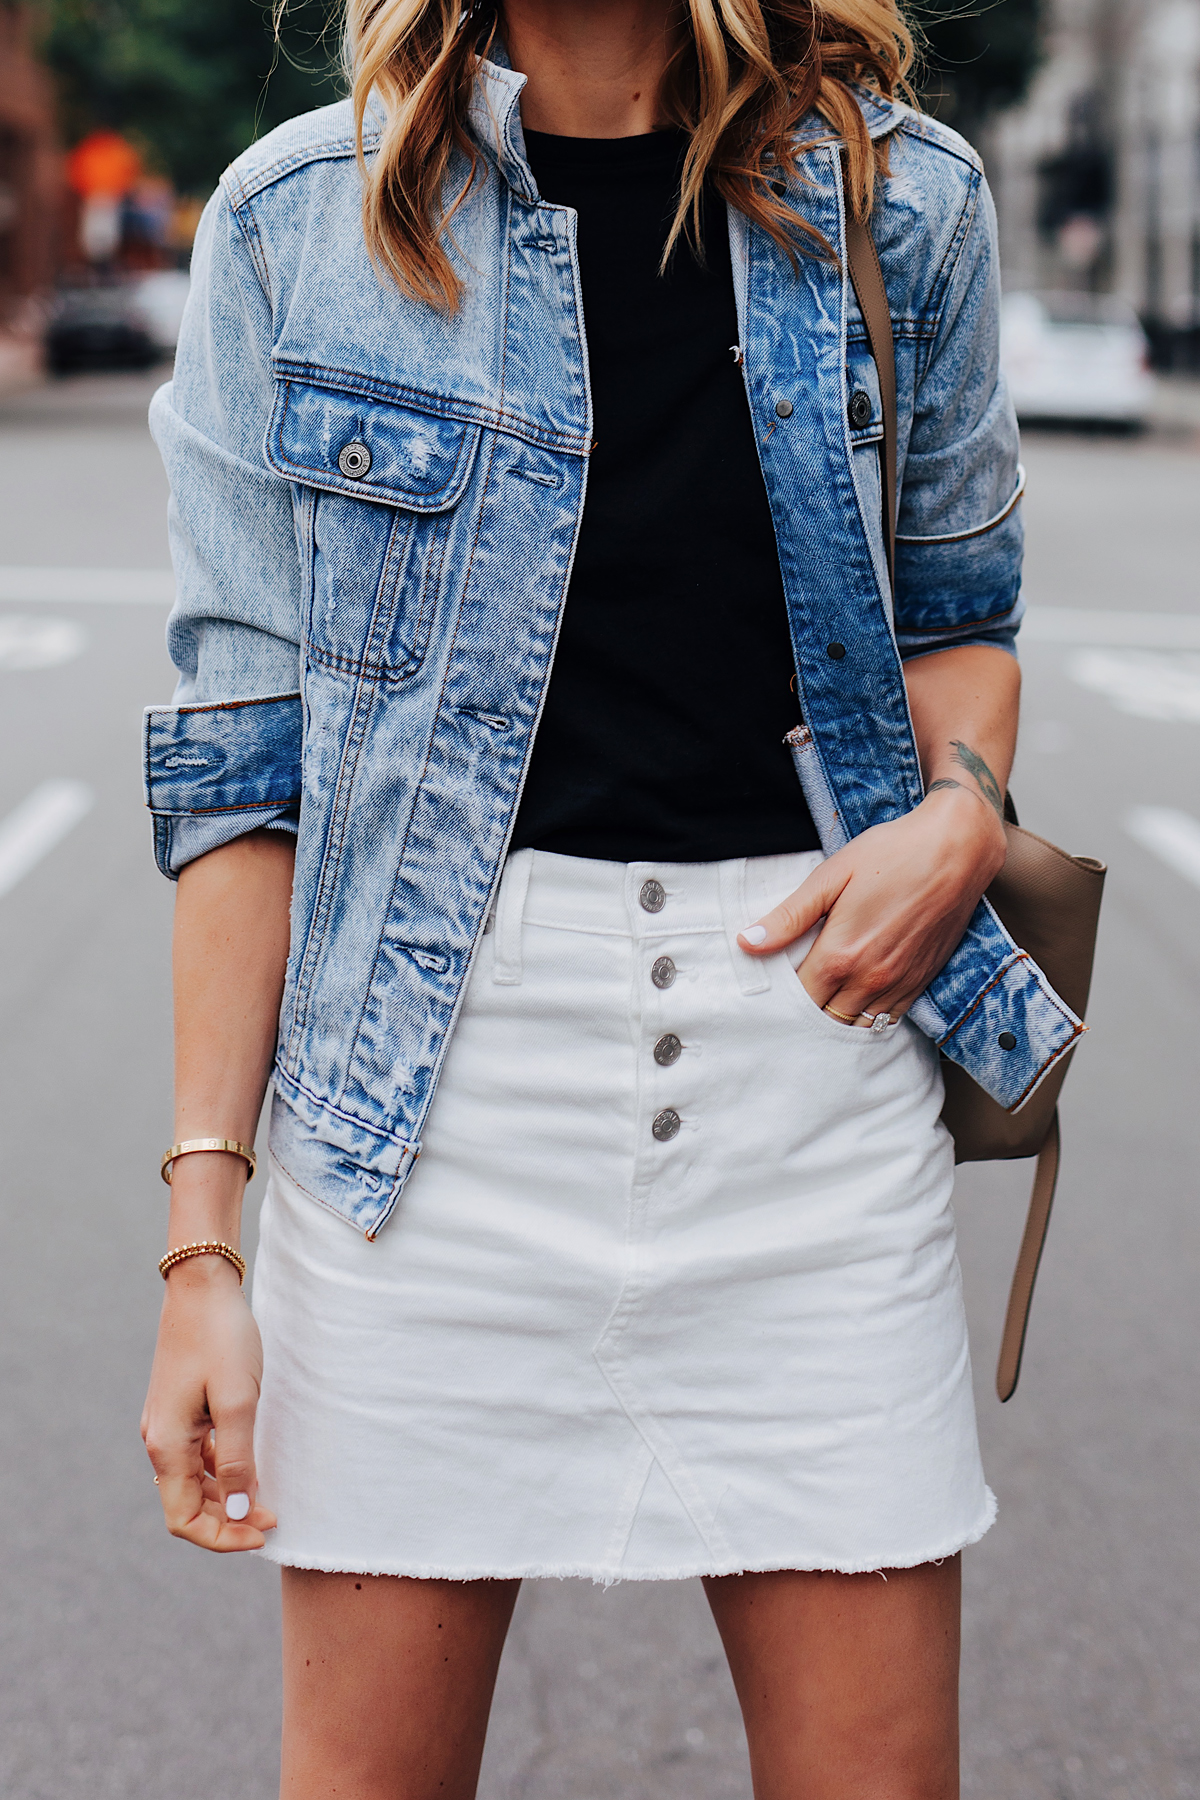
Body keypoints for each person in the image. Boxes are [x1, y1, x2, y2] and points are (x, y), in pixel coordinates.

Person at [140, 2, 1079, 1795]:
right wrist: (203, 1246)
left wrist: (960, 820)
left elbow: (963, 618)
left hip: (810, 1079)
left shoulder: (902, 201)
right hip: (426, 1126)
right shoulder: (293, 226)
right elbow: (241, 782)